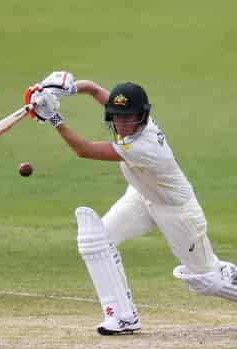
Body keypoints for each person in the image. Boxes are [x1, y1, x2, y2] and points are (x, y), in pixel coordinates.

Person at [25, 72, 237, 335]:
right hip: (140, 195)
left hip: (176, 210)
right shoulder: (129, 117)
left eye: (129, 117)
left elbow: (85, 150)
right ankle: (122, 317)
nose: (122, 123)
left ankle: (224, 273)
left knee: (207, 281)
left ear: (143, 116)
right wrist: (62, 91)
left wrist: (54, 117)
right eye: (117, 116)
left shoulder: (145, 145)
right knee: (96, 240)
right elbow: (94, 90)